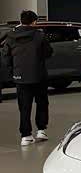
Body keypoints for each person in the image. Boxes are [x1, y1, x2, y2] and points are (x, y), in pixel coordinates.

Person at [1, 10, 52, 146]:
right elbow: (48, 52)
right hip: (39, 76)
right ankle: (41, 130)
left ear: (21, 21)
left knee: (24, 107)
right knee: (42, 103)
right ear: (34, 22)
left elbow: (5, 57)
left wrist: (14, 69)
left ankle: (26, 136)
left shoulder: (11, 36)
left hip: (20, 77)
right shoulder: (40, 35)